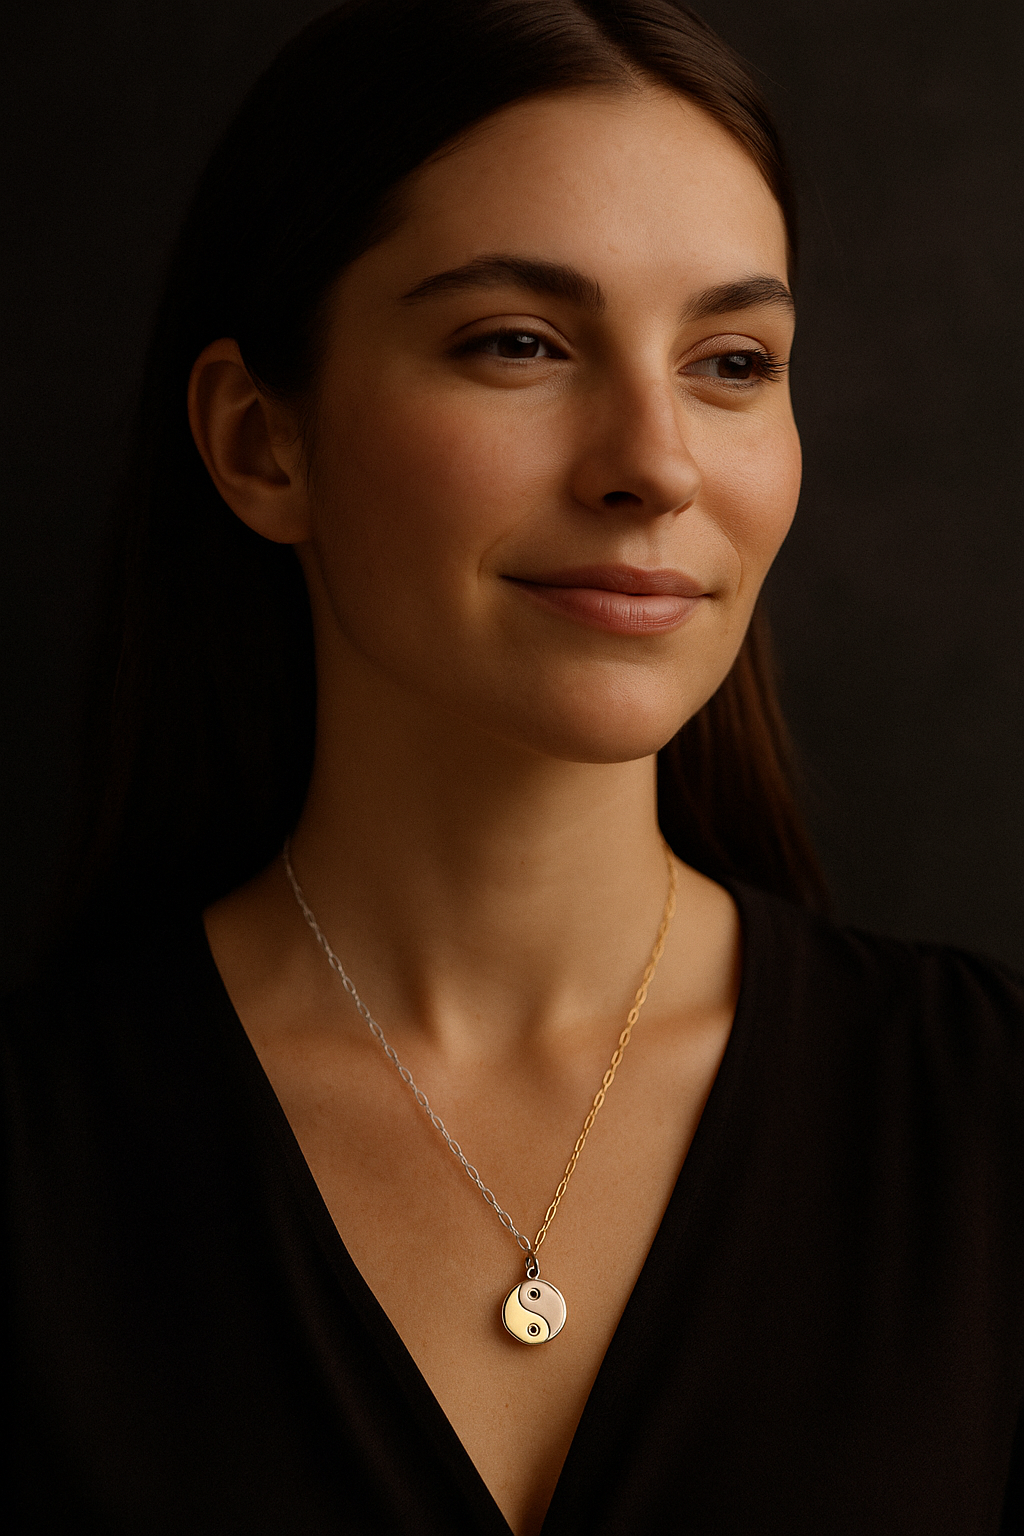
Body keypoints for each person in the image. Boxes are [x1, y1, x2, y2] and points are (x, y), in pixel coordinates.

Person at [5, 2, 1022, 1532]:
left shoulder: (993, 1120)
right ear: (260, 442)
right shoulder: (38, 1163)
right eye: (520, 344)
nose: (658, 462)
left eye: (733, 360)